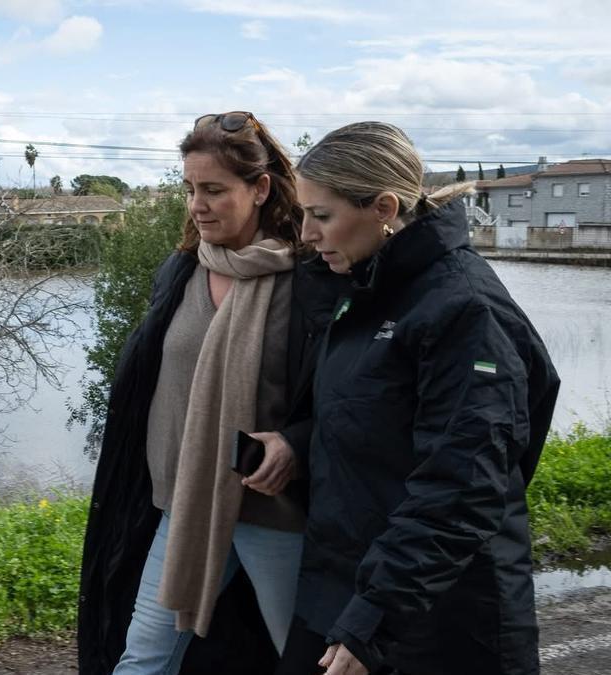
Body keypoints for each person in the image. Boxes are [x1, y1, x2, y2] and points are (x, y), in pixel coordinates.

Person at [278, 121, 561, 675]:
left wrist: (376, 618)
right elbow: (375, 416)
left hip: (439, 614)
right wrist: (295, 441)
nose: (306, 234)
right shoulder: (365, 291)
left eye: (322, 215)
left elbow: (465, 483)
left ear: (384, 207)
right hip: (349, 587)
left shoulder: (465, 311)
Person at [78, 112, 343, 675]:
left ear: (261, 188)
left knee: (308, 662)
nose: (196, 204)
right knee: (143, 658)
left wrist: (296, 443)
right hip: (187, 504)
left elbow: (345, 397)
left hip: (275, 513)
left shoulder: (312, 280)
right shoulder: (182, 271)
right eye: (190, 189)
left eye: (214, 190)